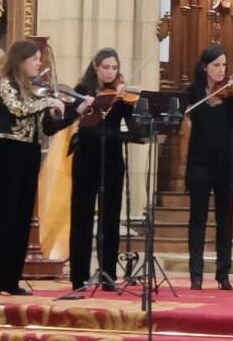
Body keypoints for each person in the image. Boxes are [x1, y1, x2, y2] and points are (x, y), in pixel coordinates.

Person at [0, 39, 91, 296]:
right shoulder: (5, 85)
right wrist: (49, 102)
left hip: (27, 153)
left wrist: (75, 112)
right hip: (5, 153)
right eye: (34, 59)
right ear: (21, 61)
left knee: (20, 219)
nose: (39, 63)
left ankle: (7, 280)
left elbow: (47, 127)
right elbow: (19, 109)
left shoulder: (33, 90)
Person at [185, 45, 233, 290]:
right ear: (205, 67)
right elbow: (185, 115)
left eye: (224, 66)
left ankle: (223, 273)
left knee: (225, 219)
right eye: (217, 65)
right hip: (199, 161)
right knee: (197, 219)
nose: (221, 70)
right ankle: (196, 274)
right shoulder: (192, 93)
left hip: (226, 163)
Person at [68, 48, 134, 293]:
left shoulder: (120, 93)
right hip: (86, 158)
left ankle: (108, 274)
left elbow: (133, 125)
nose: (110, 72)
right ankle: (79, 277)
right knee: (82, 218)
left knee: (111, 219)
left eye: (114, 67)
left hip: (113, 159)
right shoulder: (82, 91)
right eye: (106, 67)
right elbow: (71, 119)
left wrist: (129, 103)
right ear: (95, 67)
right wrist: (84, 106)